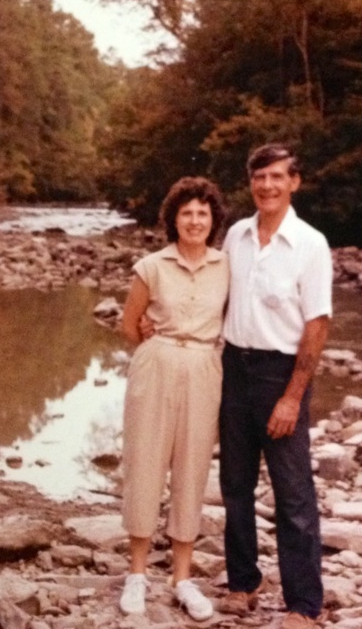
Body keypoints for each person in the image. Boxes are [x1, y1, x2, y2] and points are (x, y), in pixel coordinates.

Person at [217, 143, 332, 629]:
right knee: (235, 485)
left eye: (277, 177)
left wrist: (292, 396)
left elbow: (317, 325)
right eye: (259, 177)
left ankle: (303, 604)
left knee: (293, 493)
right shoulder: (236, 236)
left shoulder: (310, 244)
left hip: (279, 374)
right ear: (251, 183)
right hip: (234, 368)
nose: (267, 186)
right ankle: (243, 582)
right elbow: (215, 299)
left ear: (294, 182)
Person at [119, 176, 229, 621]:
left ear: (213, 219)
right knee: (145, 463)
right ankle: (137, 574)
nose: (195, 221)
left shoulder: (227, 267)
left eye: (203, 213)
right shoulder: (151, 267)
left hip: (204, 366)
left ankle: (182, 578)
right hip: (157, 364)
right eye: (187, 213)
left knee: (192, 467)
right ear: (174, 219)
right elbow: (129, 324)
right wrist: (152, 343)